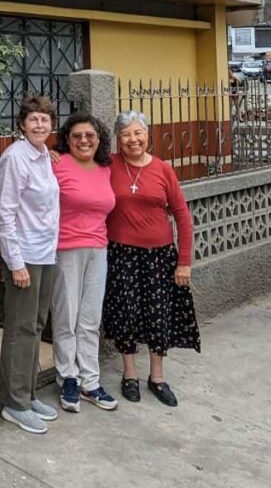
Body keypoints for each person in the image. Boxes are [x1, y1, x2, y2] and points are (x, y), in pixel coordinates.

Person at [102, 110, 201, 407]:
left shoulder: (162, 169)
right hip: (121, 253)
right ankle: (129, 374)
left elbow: (182, 216)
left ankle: (157, 376)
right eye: (126, 135)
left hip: (159, 256)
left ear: (147, 135)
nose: (133, 140)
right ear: (118, 140)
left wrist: (184, 261)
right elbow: (78, 163)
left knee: (159, 316)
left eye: (138, 133)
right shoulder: (108, 165)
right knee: (126, 314)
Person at [0, 95, 60, 434]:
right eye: (33, 119)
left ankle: (29, 391)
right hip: (25, 256)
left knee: (36, 323)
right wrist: (15, 263)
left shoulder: (46, 156)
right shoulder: (14, 158)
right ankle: (13, 402)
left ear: (52, 125)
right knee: (20, 328)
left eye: (45, 120)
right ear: (22, 123)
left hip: (46, 253)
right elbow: (4, 214)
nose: (39, 125)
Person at [50, 112, 118, 413]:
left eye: (89, 135)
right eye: (76, 136)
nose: (83, 140)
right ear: (67, 139)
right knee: (67, 316)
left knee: (90, 318)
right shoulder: (56, 163)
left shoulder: (106, 167)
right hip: (66, 249)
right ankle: (68, 378)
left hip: (98, 249)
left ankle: (90, 382)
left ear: (99, 138)